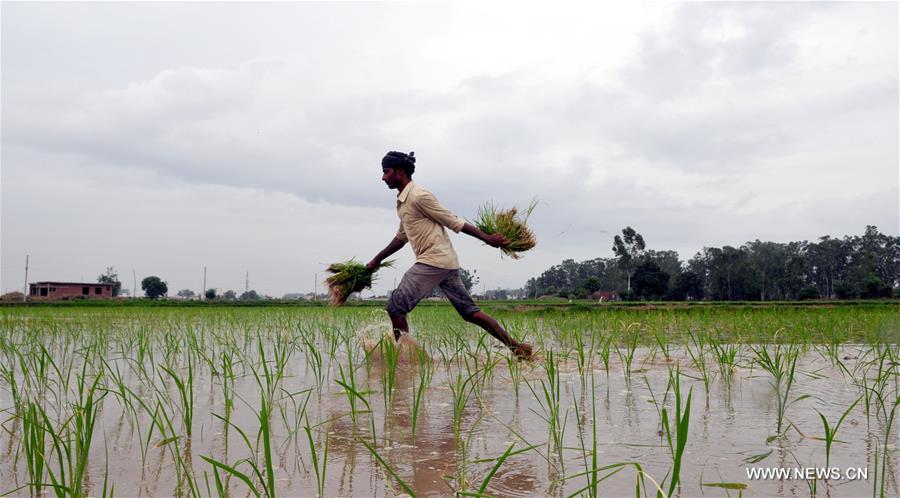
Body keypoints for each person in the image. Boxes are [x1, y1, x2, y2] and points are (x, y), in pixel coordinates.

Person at [367, 150, 533, 359]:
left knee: (396, 306)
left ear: (399, 172)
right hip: (445, 263)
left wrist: (488, 238)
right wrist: (376, 260)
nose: (383, 177)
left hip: (433, 260)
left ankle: (404, 360)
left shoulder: (419, 196)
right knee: (470, 313)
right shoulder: (403, 202)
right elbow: (401, 237)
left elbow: (452, 220)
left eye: (386, 172)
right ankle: (518, 348)